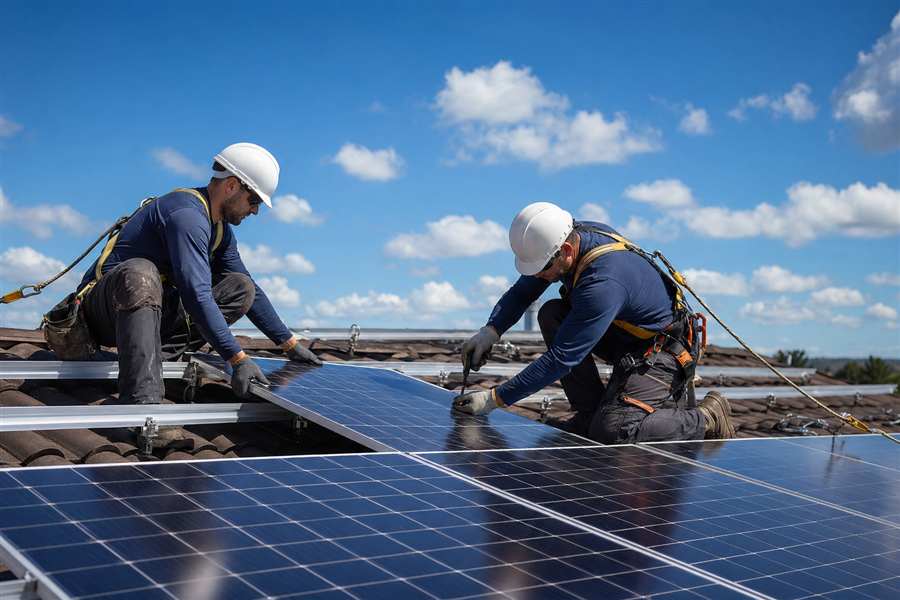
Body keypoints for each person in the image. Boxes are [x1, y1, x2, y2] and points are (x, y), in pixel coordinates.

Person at [44, 142, 321, 403]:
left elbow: (252, 292)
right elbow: (195, 293)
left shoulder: (220, 231)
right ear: (232, 185)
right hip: (103, 314)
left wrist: (289, 344)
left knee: (241, 287)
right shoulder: (186, 215)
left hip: (152, 315)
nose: (256, 211)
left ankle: (158, 365)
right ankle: (144, 402)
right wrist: (237, 358)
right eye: (254, 200)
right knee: (142, 273)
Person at [453, 202, 735, 443]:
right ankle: (589, 415)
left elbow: (562, 358)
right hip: (625, 335)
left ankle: (706, 417)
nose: (538, 276)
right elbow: (524, 290)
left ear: (565, 250)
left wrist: (495, 399)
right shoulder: (570, 237)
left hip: (662, 352)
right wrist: (491, 330)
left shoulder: (602, 282)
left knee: (613, 430)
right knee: (551, 313)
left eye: (542, 269)